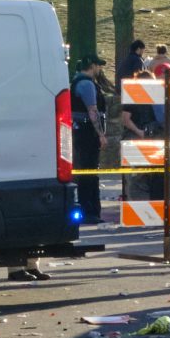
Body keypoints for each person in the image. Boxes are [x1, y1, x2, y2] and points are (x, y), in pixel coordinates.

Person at [70, 55, 109, 226]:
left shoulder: (78, 81)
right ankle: (90, 211)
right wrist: (100, 134)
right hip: (87, 133)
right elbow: (92, 110)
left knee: (86, 171)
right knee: (89, 172)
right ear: (92, 66)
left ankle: (90, 210)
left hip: (80, 131)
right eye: (98, 66)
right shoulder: (86, 84)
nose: (100, 69)